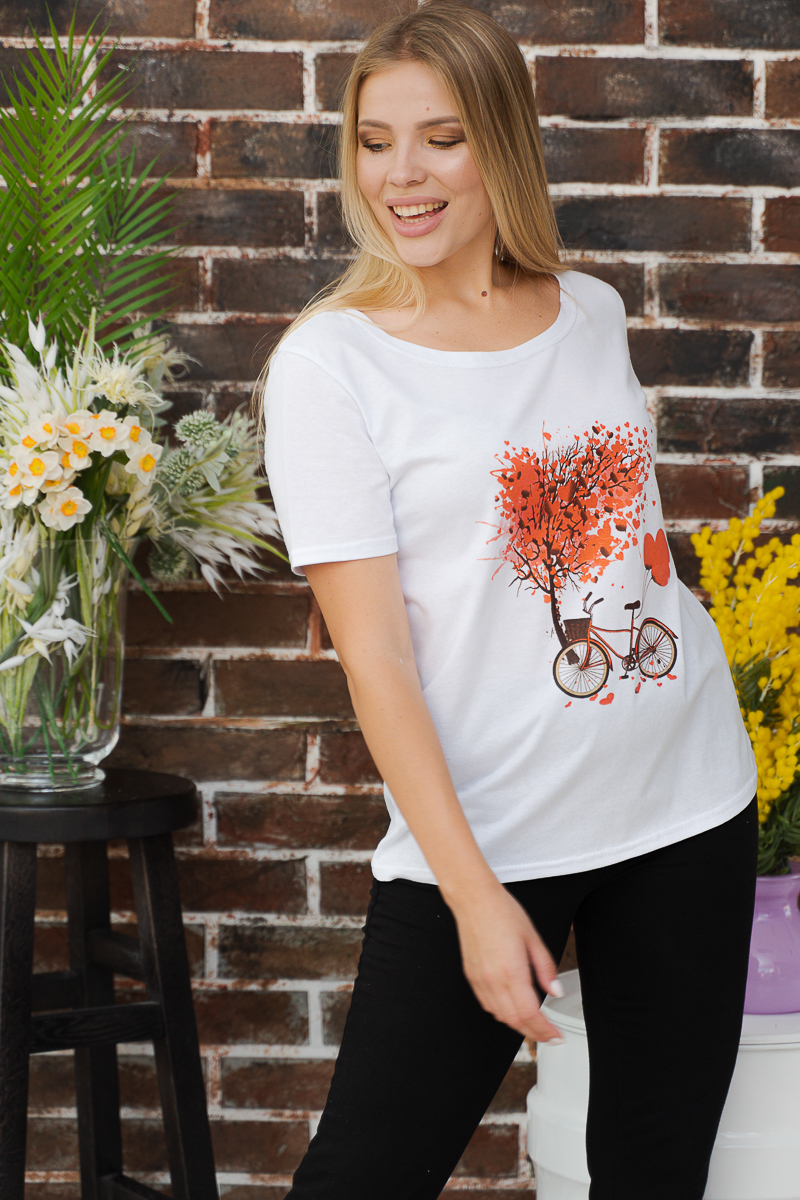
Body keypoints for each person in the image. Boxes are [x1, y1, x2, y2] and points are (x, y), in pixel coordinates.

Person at [257, 3, 759, 1196]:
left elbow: (634, 545)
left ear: (501, 143)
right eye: (374, 141)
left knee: (653, 1174)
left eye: (440, 139)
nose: (402, 175)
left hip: (684, 800)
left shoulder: (588, 311)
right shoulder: (330, 366)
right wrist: (474, 900)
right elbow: (375, 660)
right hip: (485, 836)